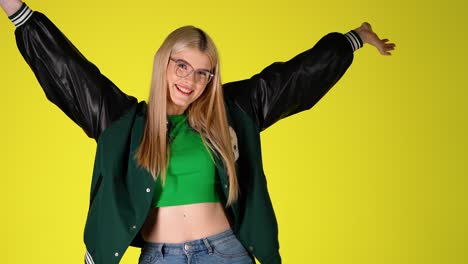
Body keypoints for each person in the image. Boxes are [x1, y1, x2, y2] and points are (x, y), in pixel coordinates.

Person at [1, 1, 395, 263]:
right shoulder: (124, 121)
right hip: (159, 257)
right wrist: (18, 11)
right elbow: (69, 72)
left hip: (225, 252)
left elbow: (294, 79)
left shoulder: (231, 111)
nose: (191, 81)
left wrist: (354, 39)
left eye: (204, 72)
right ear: (165, 63)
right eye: (183, 66)